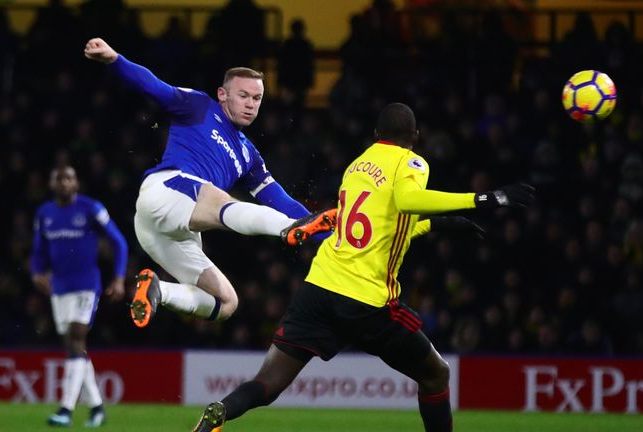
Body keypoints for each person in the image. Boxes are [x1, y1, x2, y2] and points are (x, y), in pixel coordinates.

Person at [192, 103, 535, 432]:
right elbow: (407, 200)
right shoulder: (410, 163)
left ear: (375, 134)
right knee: (436, 375)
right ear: (415, 135)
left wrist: (435, 224)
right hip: (365, 301)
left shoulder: (357, 166)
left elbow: (381, 226)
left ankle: (221, 411)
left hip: (319, 289)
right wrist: (484, 199)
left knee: (267, 383)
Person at [83, 38, 335, 329]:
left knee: (226, 302)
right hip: (166, 189)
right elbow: (154, 86)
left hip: (161, 233)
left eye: (257, 99)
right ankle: (286, 231)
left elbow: (281, 201)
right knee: (223, 202)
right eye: (243, 95)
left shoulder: (249, 155)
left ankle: (158, 290)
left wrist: (328, 239)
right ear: (222, 94)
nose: (251, 104)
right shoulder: (199, 105)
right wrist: (115, 59)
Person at [30, 165, 128, 427]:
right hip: (58, 288)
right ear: (52, 184)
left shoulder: (91, 208)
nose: (64, 183)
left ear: (76, 183)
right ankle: (97, 408)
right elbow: (38, 249)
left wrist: (118, 278)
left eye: (69, 178)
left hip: (86, 285)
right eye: (59, 178)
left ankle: (66, 409)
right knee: (75, 348)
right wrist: (36, 272)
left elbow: (119, 241)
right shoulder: (44, 214)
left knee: (76, 338)